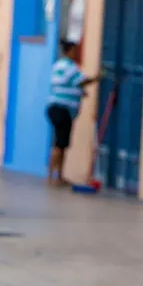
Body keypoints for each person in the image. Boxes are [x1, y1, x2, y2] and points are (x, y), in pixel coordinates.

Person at [46, 39, 100, 187]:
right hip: (62, 109)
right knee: (59, 144)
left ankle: (56, 176)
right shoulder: (70, 67)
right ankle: (53, 177)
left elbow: (67, 85)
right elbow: (81, 81)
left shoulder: (57, 65)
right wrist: (97, 77)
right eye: (75, 51)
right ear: (69, 51)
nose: (76, 54)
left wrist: (79, 93)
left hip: (54, 108)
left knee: (60, 143)